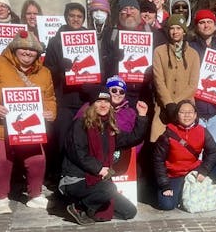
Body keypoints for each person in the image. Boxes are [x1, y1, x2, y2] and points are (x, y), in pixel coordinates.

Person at [0, 31, 58, 214]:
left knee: (37, 159)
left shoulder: (44, 72)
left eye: (32, 50)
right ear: (14, 49)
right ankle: (2, 198)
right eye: (23, 49)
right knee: (2, 159)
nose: (27, 53)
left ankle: (34, 196)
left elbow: (50, 98)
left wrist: (50, 113)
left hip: (26, 128)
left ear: (38, 53)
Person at [61, 90, 150, 225]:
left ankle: (91, 208)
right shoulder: (80, 124)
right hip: (77, 179)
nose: (103, 105)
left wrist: (142, 116)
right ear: (92, 105)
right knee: (109, 189)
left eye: (106, 102)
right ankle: (78, 208)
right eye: (99, 101)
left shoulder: (109, 128)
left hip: (99, 181)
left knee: (129, 212)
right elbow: (78, 153)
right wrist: (98, 169)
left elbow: (132, 139)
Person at [43, 1, 90, 182]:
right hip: (63, 99)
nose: (75, 19)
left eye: (79, 16)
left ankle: (79, 174)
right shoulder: (55, 41)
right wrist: (59, 69)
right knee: (62, 139)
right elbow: (47, 71)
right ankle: (61, 175)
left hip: (83, 97)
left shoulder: (88, 38)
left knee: (81, 139)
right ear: (66, 17)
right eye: (72, 16)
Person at [152, 100, 216, 211]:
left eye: (190, 112)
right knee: (167, 205)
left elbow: (214, 152)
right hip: (174, 174)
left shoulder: (202, 131)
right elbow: (158, 160)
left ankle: (196, 189)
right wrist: (165, 185)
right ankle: (181, 193)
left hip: (193, 171)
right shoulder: (168, 134)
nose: (187, 115)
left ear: (195, 115)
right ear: (177, 115)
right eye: (182, 112)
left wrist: (204, 170)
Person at [152, 14, 200, 141]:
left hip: (186, 109)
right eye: (172, 28)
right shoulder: (159, 51)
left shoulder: (193, 54)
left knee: (183, 145)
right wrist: (169, 104)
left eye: (178, 28)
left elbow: (193, 85)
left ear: (184, 31)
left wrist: (176, 104)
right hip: (164, 108)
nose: (175, 32)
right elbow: (159, 80)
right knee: (160, 143)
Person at [188, 8, 216, 146]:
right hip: (196, 107)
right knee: (195, 147)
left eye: (209, 22)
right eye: (202, 22)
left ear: (214, 25)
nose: (206, 25)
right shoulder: (189, 48)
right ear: (196, 26)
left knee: (214, 147)